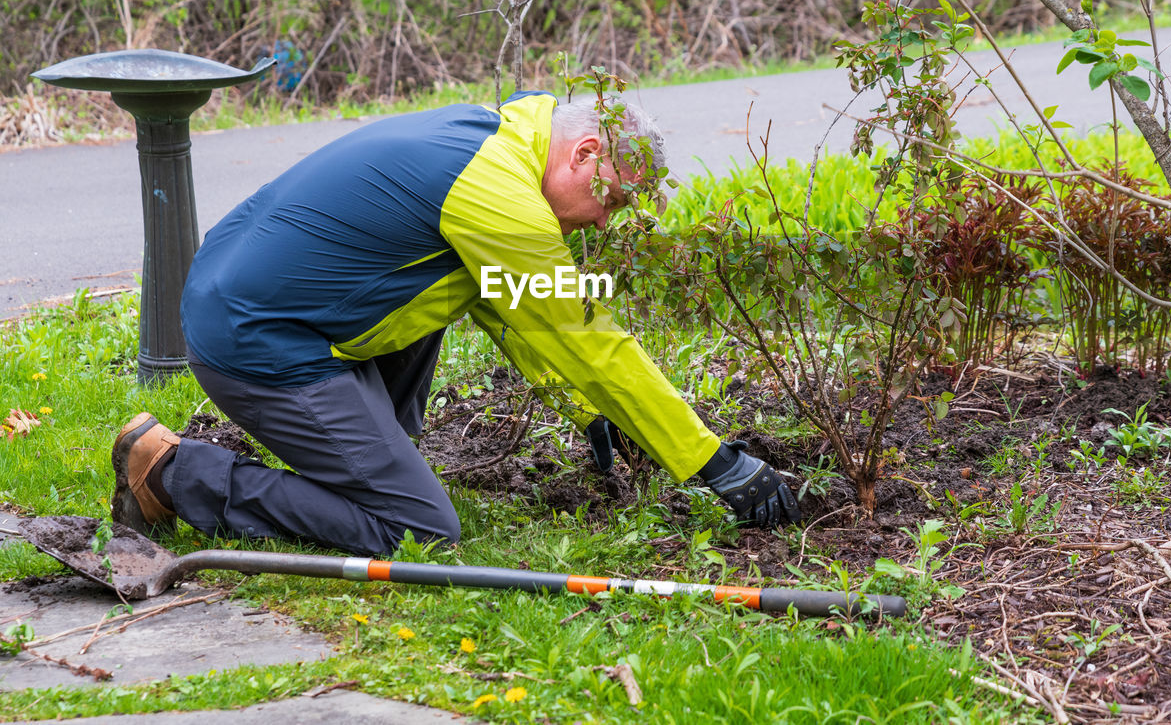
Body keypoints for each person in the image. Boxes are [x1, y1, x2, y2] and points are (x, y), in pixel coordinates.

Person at [111, 91, 801, 557]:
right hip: (258, 339)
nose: (603, 220)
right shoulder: (501, 199)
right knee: (419, 529)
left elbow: (512, 306)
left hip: (260, 299)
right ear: (584, 153)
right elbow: (588, 334)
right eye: (611, 200)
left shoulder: (491, 142)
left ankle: (367, 462)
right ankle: (173, 475)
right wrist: (713, 461)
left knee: (450, 286)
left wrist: (590, 410)